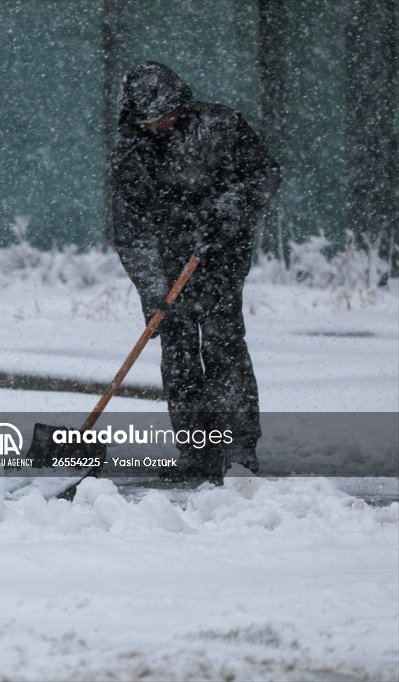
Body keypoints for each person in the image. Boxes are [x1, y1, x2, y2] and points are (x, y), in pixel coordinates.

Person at [109, 61, 281, 480]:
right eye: (151, 118)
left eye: (167, 113)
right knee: (179, 358)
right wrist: (155, 293)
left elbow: (264, 173)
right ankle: (196, 451)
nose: (162, 124)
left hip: (221, 257)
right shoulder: (132, 154)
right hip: (168, 269)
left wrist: (230, 210)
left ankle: (238, 449)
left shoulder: (220, 125)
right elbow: (132, 231)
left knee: (224, 347)